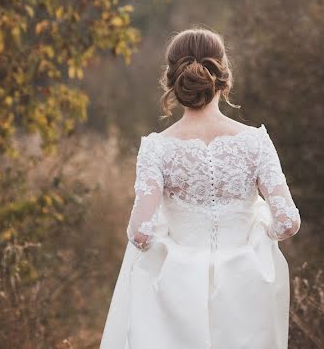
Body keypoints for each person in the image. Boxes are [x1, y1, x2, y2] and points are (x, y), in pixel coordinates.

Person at [100, 27, 300, 348]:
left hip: (179, 290)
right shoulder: (255, 142)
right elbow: (288, 222)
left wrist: (167, 236)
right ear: (225, 75)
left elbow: (139, 233)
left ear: (171, 80)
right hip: (246, 284)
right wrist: (259, 228)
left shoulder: (157, 148)